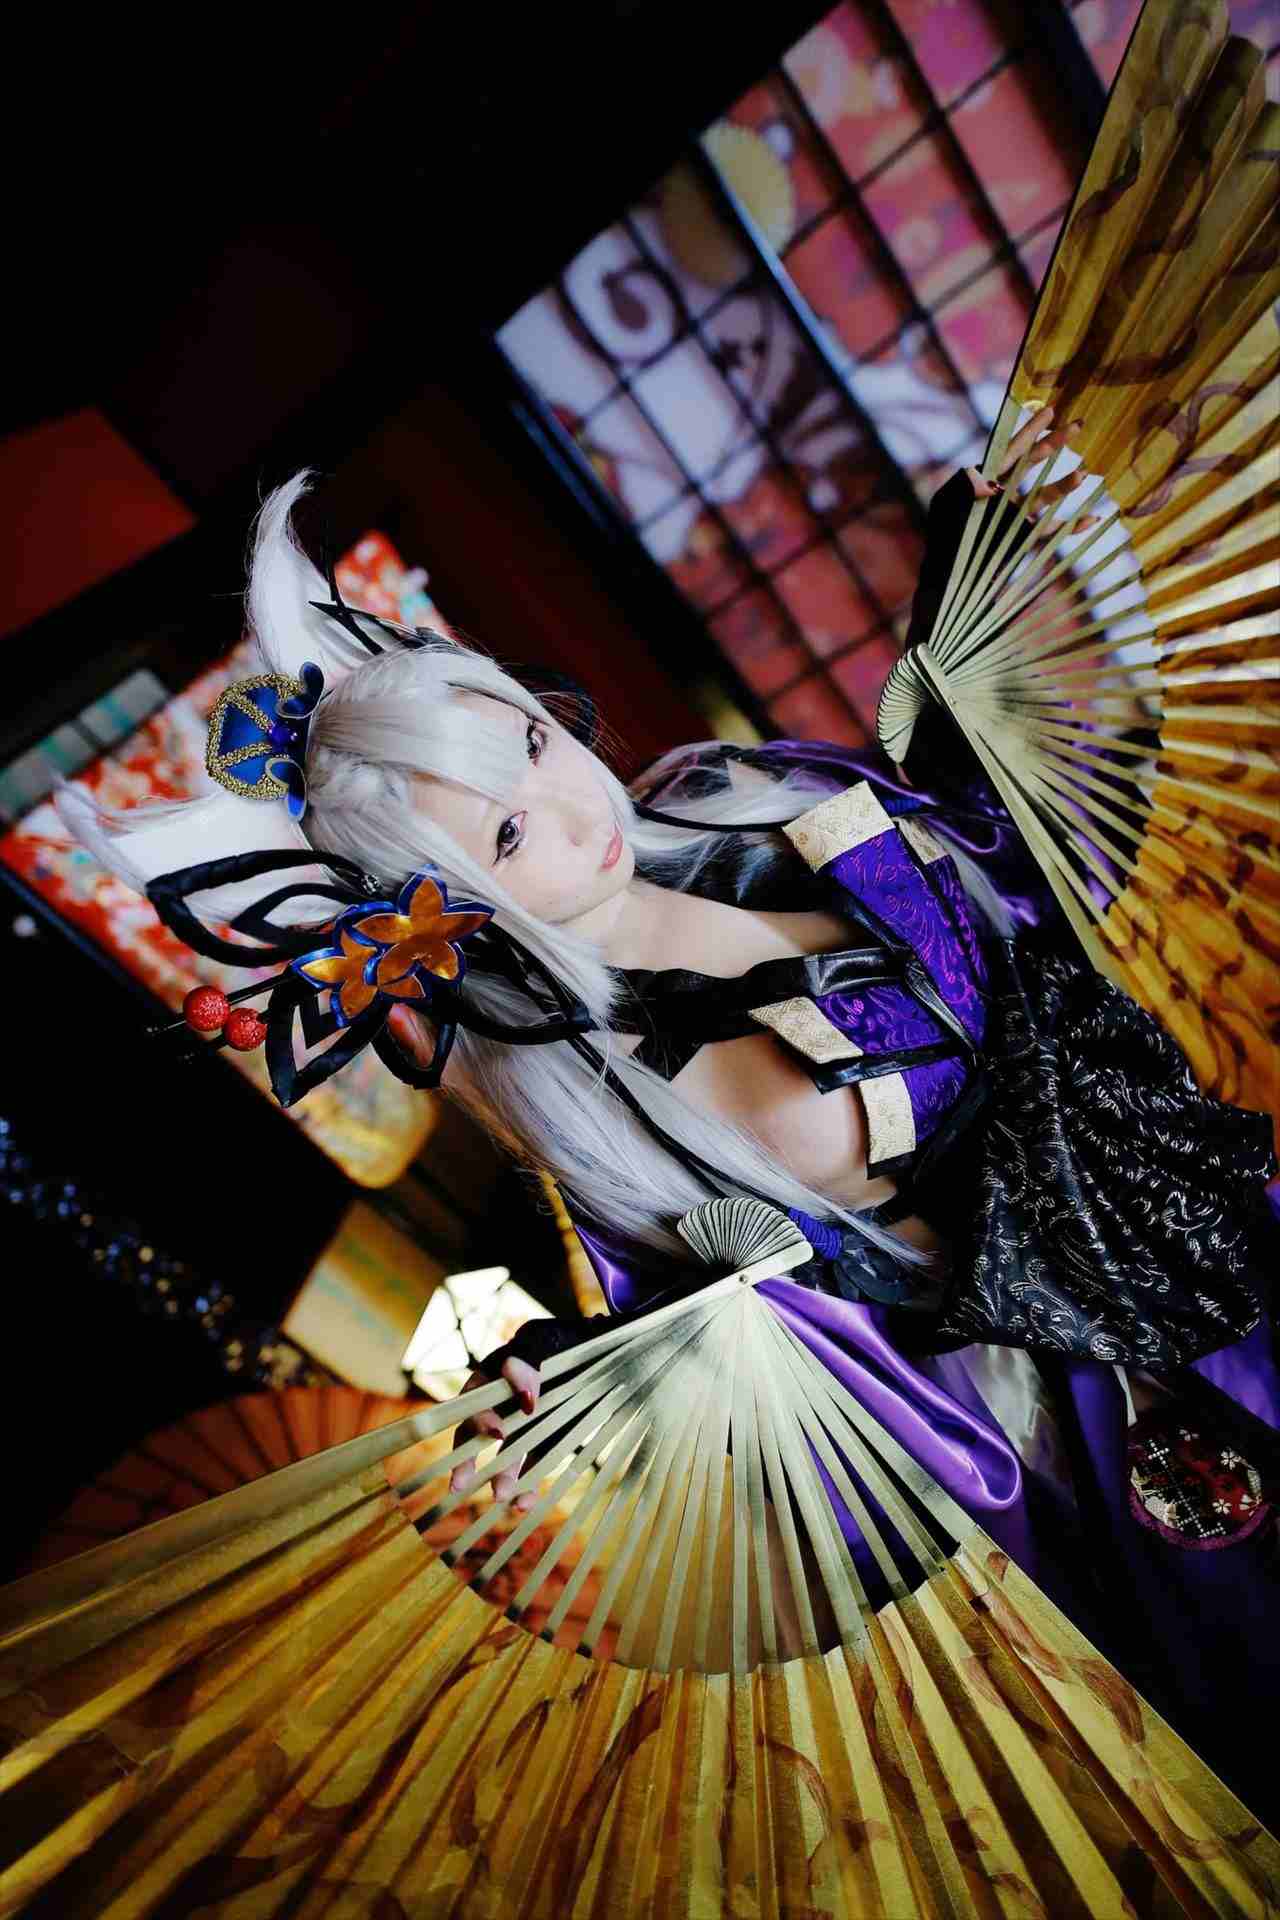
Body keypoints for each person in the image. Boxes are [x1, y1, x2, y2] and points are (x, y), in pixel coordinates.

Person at [57, 413, 1279, 1813]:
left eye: (529, 742)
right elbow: (744, 1340)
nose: (570, 806)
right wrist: (578, 1384)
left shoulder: (730, 796)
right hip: (1112, 1398)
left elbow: (980, 854)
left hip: (1196, 1184)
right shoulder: (613, 1105)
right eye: (506, 835)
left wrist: (985, 576)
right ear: (450, 915)